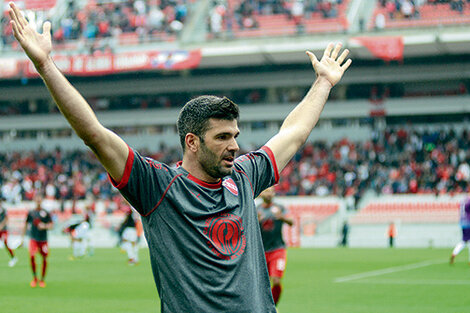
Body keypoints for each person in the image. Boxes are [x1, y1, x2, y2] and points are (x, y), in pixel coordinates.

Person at [8, 2, 351, 310]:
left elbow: (292, 133)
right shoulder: (157, 186)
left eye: (235, 136)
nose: (234, 146)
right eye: (222, 137)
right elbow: (94, 134)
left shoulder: (244, 176)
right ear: (192, 142)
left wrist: (323, 82)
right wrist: (45, 65)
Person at [257, 186, 293, 306]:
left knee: (276, 280)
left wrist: (281, 217)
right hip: (261, 252)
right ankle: (263, 306)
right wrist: (255, 220)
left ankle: (272, 306)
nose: (268, 194)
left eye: (271, 191)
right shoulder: (256, 210)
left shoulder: (280, 208)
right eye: (266, 191)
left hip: (278, 250)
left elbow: (291, 222)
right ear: (261, 194)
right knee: (261, 283)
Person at [22, 194, 53, 288]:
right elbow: (26, 224)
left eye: (40, 199)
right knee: (32, 256)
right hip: (34, 239)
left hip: (43, 240)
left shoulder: (46, 212)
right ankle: (35, 278)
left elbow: (51, 225)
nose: (38, 201)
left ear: (42, 200)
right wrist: (22, 238)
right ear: (35, 200)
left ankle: (42, 279)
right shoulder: (31, 213)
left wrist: (45, 226)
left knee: (44, 258)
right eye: (37, 199)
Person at [450, 197, 470, 265]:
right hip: (468, 222)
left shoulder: (463, 200)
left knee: (464, 240)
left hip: (462, 222)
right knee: (466, 241)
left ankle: (454, 253)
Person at [0, 197, 18, 267]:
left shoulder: (4, 210)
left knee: (5, 243)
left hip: (3, 230)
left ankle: (13, 257)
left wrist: (1, 225)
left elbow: (6, 219)